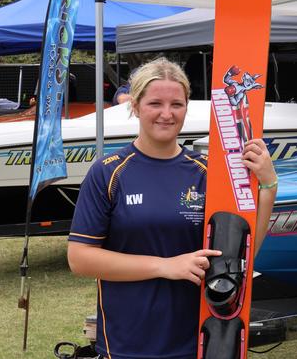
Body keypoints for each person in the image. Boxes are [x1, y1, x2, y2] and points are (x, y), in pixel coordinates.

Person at [67, 57, 277, 359]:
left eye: (176, 104)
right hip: (127, 342)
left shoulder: (207, 173)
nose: (166, 114)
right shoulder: (108, 173)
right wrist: (166, 266)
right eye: (155, 104)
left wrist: (269, 187)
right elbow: (80, 259)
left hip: (198, 341)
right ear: (136, 106)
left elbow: (241, 257)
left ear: (186, 107)